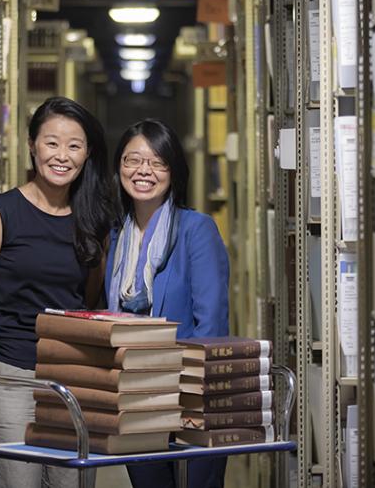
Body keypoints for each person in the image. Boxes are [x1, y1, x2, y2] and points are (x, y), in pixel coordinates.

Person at [0, 97, 114, 487]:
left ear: (87, 153)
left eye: (74, 145)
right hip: (13, 377)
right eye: (52, 143)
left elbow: (92, 297)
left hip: (76, 377)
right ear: (32, 145)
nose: (62, 156)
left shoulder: (94, 219)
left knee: (70, 482)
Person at [105, 119, 230, 488]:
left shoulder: (197, 229)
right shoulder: (112, 236)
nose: (144, 171)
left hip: (189, 396)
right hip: (132, 397)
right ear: (119, 168)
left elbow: (211, 325)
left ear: (173, 172)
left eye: (158, 162)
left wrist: (192, 401)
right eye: (133, 160)